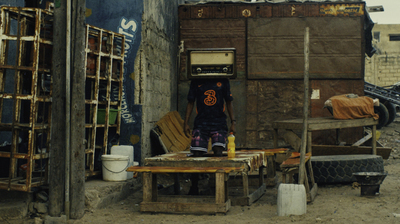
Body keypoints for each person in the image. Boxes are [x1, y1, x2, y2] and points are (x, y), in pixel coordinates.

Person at [183, 78, 236, 157]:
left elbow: (229, 102)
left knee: (218, 151)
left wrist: (233, 122)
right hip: (201, 123)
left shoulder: (223, 80)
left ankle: (218, 169)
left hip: (219, 123)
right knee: (197, 153)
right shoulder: (196, 80)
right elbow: (190, 102)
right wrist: (186, 123)